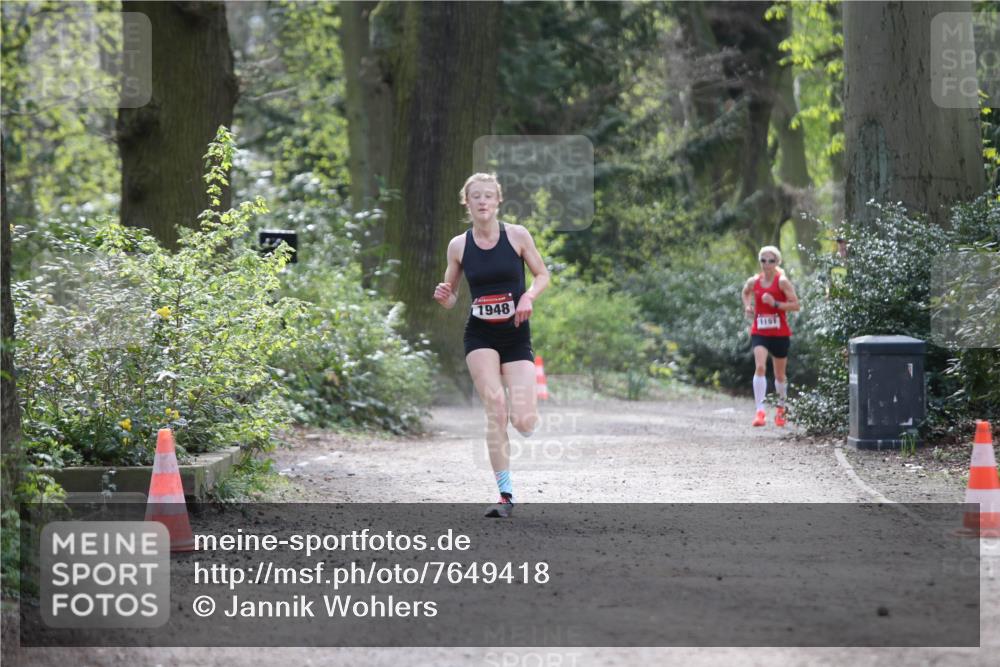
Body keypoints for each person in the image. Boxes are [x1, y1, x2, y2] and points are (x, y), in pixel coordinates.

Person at [433, 173, 550, 518]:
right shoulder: (459, 246)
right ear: (466, 203)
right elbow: (451, 297)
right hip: (480, 335)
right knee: (495, 408)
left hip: (516, 333)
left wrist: (528, 296)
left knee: (524, 420)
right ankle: (505, 495)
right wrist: (445, 297)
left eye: (488, 196)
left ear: (498, 201)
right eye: (475, 197)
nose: (482, 202)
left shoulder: (517, 236)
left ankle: (526, 418)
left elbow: (542, 274)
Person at [741, 245, 800, 427]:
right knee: (759, 367)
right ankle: (760, 411)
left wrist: (774, 303)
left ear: (777, 262)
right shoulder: (754, 281)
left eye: (771, 261)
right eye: (763, 260)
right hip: (760, 331)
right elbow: (745, 292)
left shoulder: (782, 282)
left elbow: (795, 305)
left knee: (779, 375)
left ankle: (781, 409)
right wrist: (748, 306)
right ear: (760, 262)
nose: (767, 264)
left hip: (780, 333)